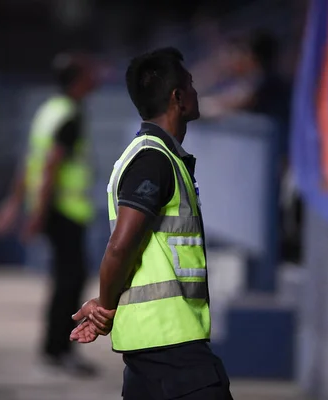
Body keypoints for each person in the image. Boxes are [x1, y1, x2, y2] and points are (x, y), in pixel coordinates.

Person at [70, 47, 234, 399]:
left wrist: (104, 304)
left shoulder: (159, 156)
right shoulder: (152, 160)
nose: (195, 91)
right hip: (172, 346)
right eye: (190, 84)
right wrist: (103, 304)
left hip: (151, 353)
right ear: (178, 98)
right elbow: (121, 246)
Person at [0, 53, 99, 375]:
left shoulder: (49, 111)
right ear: (77, 81)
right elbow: (51, 164)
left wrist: (15, 204)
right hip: (63, 209)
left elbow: (30, 160)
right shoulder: (70, 116)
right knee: (71, 280)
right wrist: (37, 213)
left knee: (64, 279)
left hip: (52, 208)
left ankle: (53, 348)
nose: (93, 78)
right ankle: (60, 349)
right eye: (87, 74)